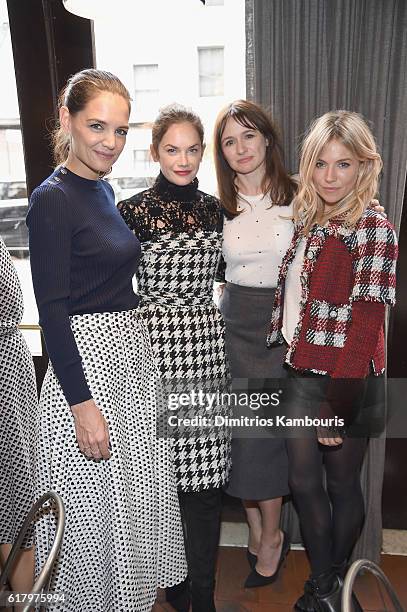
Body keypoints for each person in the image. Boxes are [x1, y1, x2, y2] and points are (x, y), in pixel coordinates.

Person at [26, 70, 186, 612]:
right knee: (92, 526)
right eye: (97, 126)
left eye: (119, 131)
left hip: (128, 366)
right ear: (67, 121)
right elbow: (52, 312)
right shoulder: (53, 199)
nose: (109, 143)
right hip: (88, 375)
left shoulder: (100, 187)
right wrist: (81, 404)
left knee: (131, 515)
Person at [267, 110, 398, 611]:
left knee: (343, 484)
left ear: (363, 167)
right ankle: (326, 588)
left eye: (343, 165)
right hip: (303, 369)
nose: (329, 176)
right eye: (320, 164)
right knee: (302, 482)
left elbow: (366, 327)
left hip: (350, 379)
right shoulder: (310, 219)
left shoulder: (373, 227)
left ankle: (330, 587)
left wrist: (336, 405)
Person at [117, 103, 231, 612]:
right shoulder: (131, 211)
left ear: (201, 153)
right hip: (152, 350)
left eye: (191, 150)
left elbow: (238, 274)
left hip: (205, 348)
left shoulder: (216, 210)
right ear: (155, 151)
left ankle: (201, 598)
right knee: (159, 481)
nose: (182, 160)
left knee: (205, 487)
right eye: (171, 149)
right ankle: (173, 589)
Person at [213, 100, 296, 587]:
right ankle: (256, 526)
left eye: (248, 136)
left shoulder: (300, 198)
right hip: (232, 326)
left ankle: (273, 535)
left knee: (268, 439)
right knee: (241, 438)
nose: (240, 148)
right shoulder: (216, 206)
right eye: (229, 141)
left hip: (281, 329)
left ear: (267, 138)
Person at [0, 236, 38, 600]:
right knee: (14, 500)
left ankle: (25, 603)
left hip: (11, 374)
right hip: (9, 375)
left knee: (15, 500)